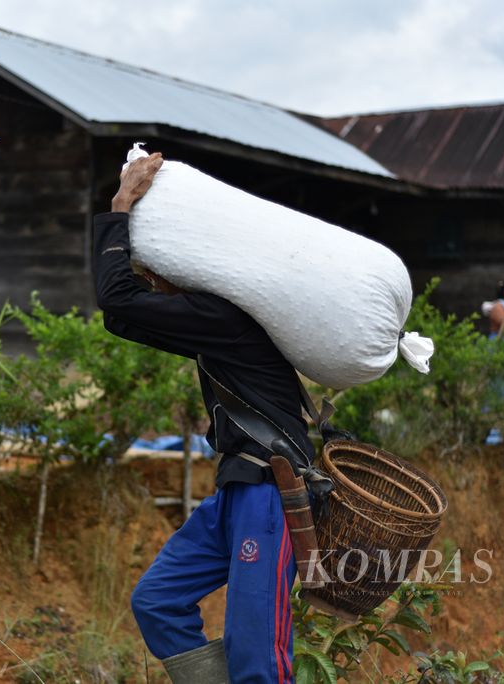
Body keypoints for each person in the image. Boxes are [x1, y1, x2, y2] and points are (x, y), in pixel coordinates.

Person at [93, 152, 311, 683]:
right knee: (158, 601)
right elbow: (120, 316)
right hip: (235, 493)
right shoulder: (212, 321)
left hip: (268, 494)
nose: (153, 278)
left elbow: (115, 295)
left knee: (255, 654)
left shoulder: (224, 317)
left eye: (159, 268)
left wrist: (122, 205)